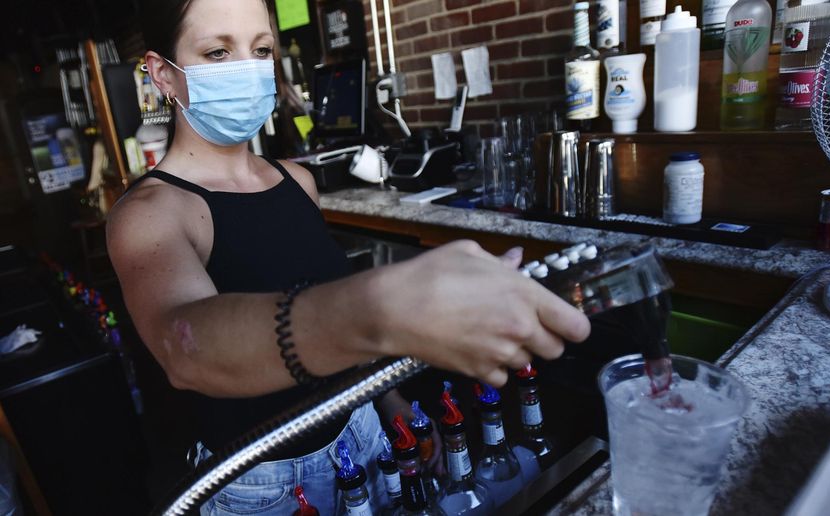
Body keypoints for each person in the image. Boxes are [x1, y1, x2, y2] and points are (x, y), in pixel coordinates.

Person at [109, 0, 590, 513]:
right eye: (218, 51)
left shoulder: (297, 181)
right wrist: (381, 309)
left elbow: (322, 297)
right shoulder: (151, 213)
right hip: (261, 479)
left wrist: (389, 399)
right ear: (163, 74)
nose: (248, 69)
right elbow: (189, 351)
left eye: (261, 49)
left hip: (362, 438)